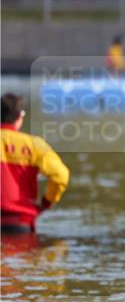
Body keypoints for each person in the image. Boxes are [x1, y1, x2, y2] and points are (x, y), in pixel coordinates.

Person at [1, 94, 70, 234]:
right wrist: (46, 201)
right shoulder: (35, 144)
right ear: (19, 116)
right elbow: (61, 175)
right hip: (20, 223)